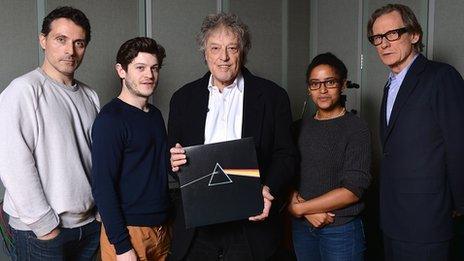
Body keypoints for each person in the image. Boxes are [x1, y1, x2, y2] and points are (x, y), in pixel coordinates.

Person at [168, 13, 296, 260]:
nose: (223, 57)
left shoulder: (273, 97)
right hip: (198, 231)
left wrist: (269, 189)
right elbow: (171, 157)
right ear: (205, 53)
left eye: (232, 48)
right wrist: (173, 162)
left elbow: (287, 155)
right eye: (215, 48)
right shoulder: (183, 99)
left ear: (243, 51)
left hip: (251, 226)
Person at [0, 6, 100, 260]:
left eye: (79, 43)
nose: (70, 50)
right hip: (42, 232)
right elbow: (13, 163)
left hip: (88, 226)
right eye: (61, 40)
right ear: (43, 40)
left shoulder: (90, 95)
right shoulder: (23, 90)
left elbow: (95, 160)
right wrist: (45, 227)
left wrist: (99, 214)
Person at [367, 4, 464, 260]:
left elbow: (459, 145)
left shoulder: (442, 77)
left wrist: (460, 206)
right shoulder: (390, 85)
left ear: (414, 35)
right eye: (377, 37)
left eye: (393, 34)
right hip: (392, 219)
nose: (384, 44)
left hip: (428, 219)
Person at [91, 37, 171, 261]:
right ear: (121, 71)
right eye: (140, 68)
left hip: (162, 228)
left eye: (154, 68)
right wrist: (122, 246)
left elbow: (160, 168)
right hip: (129, 231)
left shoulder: (155, 115)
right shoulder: (110, 120)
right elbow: (102, 187)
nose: (149, 75)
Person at [287, 53, 371, 260]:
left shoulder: (356, 128)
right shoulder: (298, 127)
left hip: (341, 229)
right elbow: (286, 173)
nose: (322, 90)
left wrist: (301, 209)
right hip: (303, 229)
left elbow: (353, 190)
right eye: (315, 84)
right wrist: (299, 208)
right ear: (308, 88)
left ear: (342, 84)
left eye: (330, 82)